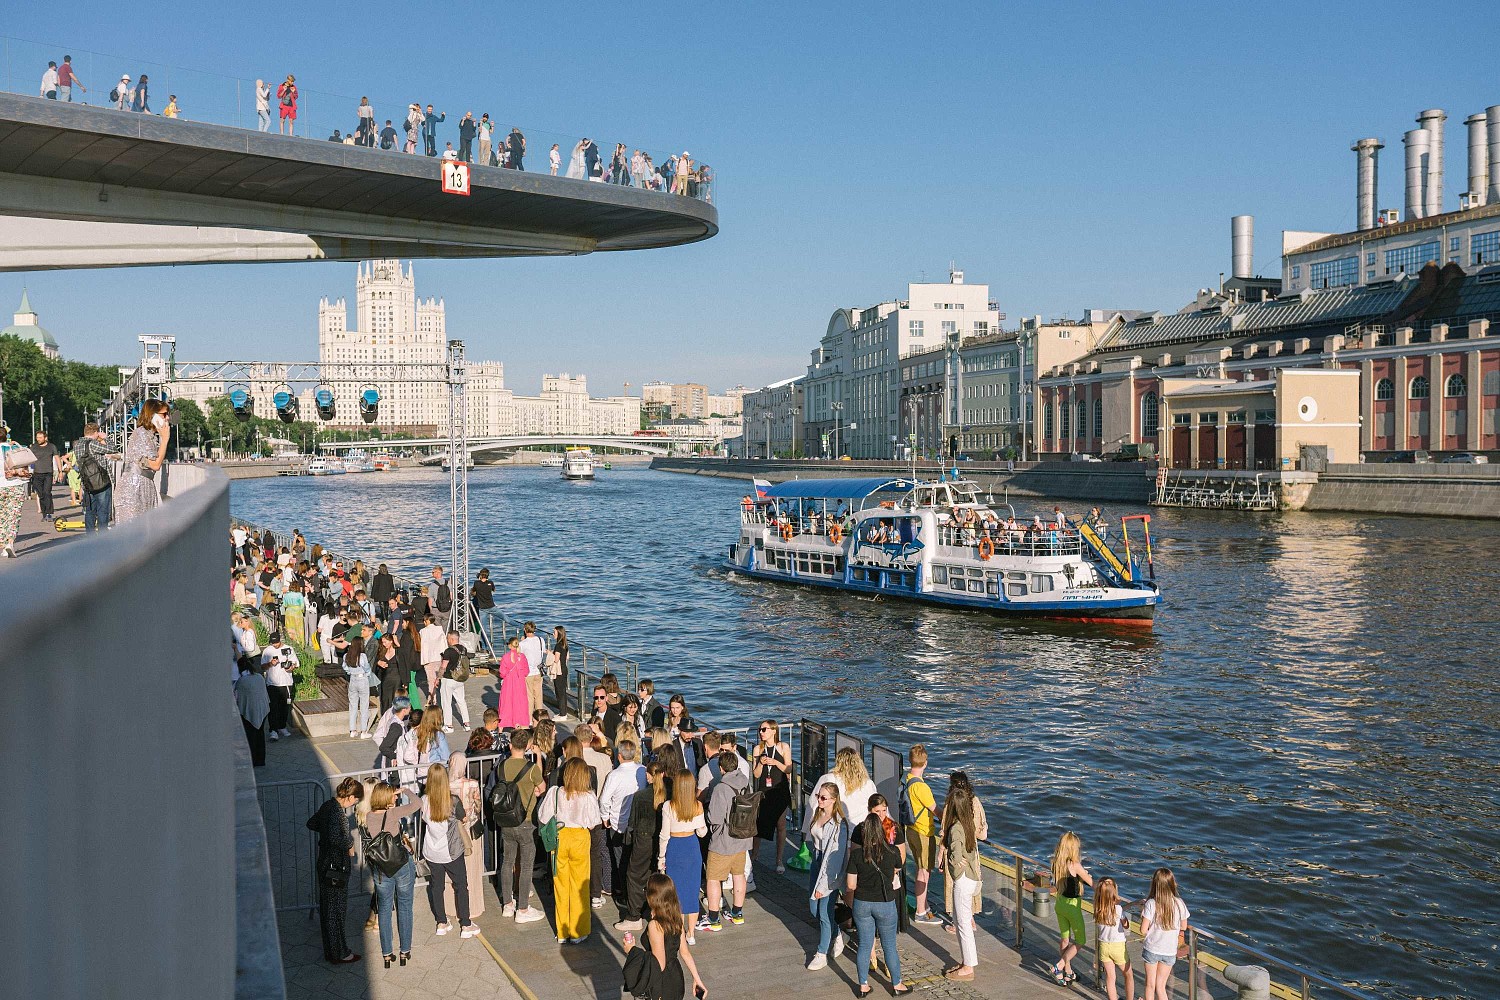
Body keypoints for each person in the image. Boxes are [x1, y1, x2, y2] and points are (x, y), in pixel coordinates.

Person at [539, 757, 603, 944]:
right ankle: (578, 932)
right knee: (579, 886)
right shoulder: (588, 796)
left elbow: (543, 816)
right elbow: (593, 823)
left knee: (560, 885)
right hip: (579, 838)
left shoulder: (555, 792)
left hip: (560, 837)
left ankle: (562, 931)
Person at [846, 810, 910, 996]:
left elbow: (851, 885)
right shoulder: (892, 852)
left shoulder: (857, 855)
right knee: (889, 945)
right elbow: (897, 869)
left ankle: (863, 986)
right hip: (885, 902)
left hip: (862, 904)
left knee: (865, 945)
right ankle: (897, 985)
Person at [489, 727, 547, 922]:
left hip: (506, 819)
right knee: (526, 865)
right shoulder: (531, 769)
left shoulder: (501, 766)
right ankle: (523, 908)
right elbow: (542, 788)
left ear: (510, 745)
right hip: (526, 820)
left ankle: (507, 904)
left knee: (507, 862)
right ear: (528, 746)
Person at [621, 873, 708, 1000]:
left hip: (662, 983)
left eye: (646, 890)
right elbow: (685, 953)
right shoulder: (675, 919)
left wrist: (632, 950)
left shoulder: (655, 925)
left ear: (652, 896)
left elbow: (659, 964)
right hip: (676, 978)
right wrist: (697, 979)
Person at [307, 777, 364, 964]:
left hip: (325, 863)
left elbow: (312, 823)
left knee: (329, 909)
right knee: (336, 911)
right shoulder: (338, 813)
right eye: (356, 800)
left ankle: (333, 951)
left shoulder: (327, 806)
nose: (355, 804)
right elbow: (334, 838)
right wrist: (349, 843)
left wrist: (326, 833)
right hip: (335, 867)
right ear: (351, 797)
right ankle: (339, 953)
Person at [420, 763, 479, 938]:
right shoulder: (452, 801)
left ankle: (441, 922)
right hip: (451, 851)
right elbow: (463, 817)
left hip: (431, 851)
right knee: (461, 886)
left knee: (436, 886)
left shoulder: (424, 800)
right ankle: (466, 924)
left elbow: (424, 819)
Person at [363, 782, 419, 967]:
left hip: (381, 869)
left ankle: (387, 954)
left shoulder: (369, 816)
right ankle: (405, 951)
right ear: (387, 797)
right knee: (405, 906)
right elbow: (418, 803)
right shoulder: (393, 814)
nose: (396, 797)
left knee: (385, 910)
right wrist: (405, 790)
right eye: (394, 795)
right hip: (401, 865)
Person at [936, 773, 982, 981]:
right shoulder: (968, 824)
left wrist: (954, 861)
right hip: (972, 877)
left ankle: (968, 966)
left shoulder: (955, 828)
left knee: (962, 923)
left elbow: (954, 853)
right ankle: (966, 962)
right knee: (964, 921)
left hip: (962, 880)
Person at [703, 749, 752, 933]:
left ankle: (713, 918)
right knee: (739, 875)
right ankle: (737, 913)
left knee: (713, 879)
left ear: (721, 768)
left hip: (723, 842)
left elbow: (714, 818)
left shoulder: (720, 788)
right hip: (742, 838)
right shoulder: (745, 783)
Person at [803, 781, 849, 971]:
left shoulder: (839, 824)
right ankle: (837, 933)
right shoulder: (818, 812)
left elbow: (836, 858)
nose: (819, 800)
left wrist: (824, 885)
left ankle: (821, 953)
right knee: (814, 908)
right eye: (818, 796)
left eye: (823, 797)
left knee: (824, 912)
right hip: (816, 860)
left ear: (834, 800)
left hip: (829, 867)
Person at [657, 768, 707, 945]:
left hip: (675, 848)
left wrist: (661, 858)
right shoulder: (697, 805)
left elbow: (664, 835)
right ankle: (691, 933)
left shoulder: (668, 806)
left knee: (676, 893)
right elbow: (702, 832)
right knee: (692, 891)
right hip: (691, 847)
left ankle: (679, 931)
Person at [902, 744, 941, 924]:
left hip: (911, 829)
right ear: (925, 763)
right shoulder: (922, 787)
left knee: (921, 868)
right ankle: (920, 912)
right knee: (923, 872)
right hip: (924, 832)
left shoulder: (907, 779)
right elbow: (936, 811)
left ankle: (924, 905)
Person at [445, 752, 486, 920]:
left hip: (450, 832)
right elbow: (478, 807)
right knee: (472, 869)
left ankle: (451, 906)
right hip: (469, 831)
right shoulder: (473, 784)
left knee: (452, 871)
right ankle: (472, 906)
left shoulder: (444, 786)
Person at [1049, 830, 1093, 985]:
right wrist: (1087, 875)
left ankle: (1068, 972)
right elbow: (1091, 882)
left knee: (1065, 939)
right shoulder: (1075, 865)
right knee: (1080, 940)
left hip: (1060, 903)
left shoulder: (1056, 863)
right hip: (1072, 906)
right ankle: (1059, 966)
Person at [1139, 868, 1189, 1000]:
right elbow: (1183, 926)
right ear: (1172, 883)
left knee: (1150, 985)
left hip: (1152, 949)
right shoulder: (1179, 903)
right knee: (1161, 987)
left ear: (1155, 884)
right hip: (1169, 951)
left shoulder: (1151, 903)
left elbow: (1143, 930)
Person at [116, 399, 170, 523]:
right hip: (132, 492)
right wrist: (165, 439)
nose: (167, 418)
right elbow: (156, 465)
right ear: (152, 415)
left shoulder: (150, 436)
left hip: (143, 488)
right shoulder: (141, 434)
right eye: (164, 414)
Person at [751, 719, 792, 875]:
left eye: (764, 729)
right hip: (764, 790)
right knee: (759, 825)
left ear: (774, 731)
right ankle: (754, 855)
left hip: (779, 790)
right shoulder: (758, 749)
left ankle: (779, 859)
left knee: (780, 825)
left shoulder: (783, 747)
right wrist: (760, 764)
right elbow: (756, 774)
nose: (761, 732)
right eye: (760, 730)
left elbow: (788, 769)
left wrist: (775, 762)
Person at [1095, 877, 1134, 1000]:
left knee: (1110, 977)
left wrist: (1131, 905)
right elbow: (1126, 925)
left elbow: (1113, 911)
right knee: (1128, 975)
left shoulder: (1098, 908)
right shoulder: (1118, 909)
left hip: (1104, 946)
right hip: (1118, 947)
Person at [396, 707, 448, 790]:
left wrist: (419, 764)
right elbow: (446, 757)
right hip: (436, 774)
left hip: (422, 774)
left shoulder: (418, 732)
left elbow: (408, 755)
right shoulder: (438, 735)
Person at [0, 425, 30, 558]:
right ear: (6, 436)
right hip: (16, 485)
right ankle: (10, 543)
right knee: (14, 515)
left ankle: (3, 545)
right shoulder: (13, 448)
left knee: (2, 516)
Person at [236, 659, 271, 767]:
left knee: (250, 736)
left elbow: (239, 698)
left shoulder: (242, 681)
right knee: (260, 734)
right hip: (262, 709)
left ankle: (252, 761)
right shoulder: (259, 677)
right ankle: (261, 760)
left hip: (248, 710)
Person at [262, 639, 296, 741]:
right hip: (272, 684)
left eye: (276, 642)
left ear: (280, 641)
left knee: (284, 706)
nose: (275, 644)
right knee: (273, 708)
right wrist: (270, 663)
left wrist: (291, 668)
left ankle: (282, 726)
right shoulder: (267, 651)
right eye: (273, 643)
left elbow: (295, 663)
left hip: (286, 683)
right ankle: (273, 730)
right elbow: (262, 667)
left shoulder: (289, 648)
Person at [437, 631, 471, 732]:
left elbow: (443, 667)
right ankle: (467, 723)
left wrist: (438, 678)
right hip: (459, 678)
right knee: (461, 701)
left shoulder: (448, 651)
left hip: (448, 679)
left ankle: (449, 725)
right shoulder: (463, 649)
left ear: (451, 639)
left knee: (446, 702)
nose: (447, 640)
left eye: (448, 638)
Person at [343, 636, 375, 738]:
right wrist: (367, 674)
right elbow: (367, 668)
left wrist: (351, 672)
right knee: (364, 706)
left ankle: (352, 730)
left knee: (353, 705)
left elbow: (345, 667)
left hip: (352, 680)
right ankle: (363, 731)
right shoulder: (362, 656)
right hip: (362, 679)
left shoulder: (347, 655)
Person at [497, 636, 531, 728]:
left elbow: (502, 673)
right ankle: (521, 723)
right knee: (520, 704)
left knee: (506, 704)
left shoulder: (505, 657)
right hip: (520, 683)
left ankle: (502, 726)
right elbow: (526, 671)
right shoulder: (522, 656)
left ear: (510, 645)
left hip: (508, 683)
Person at [28, 430, 59, 519]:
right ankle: (44, 513)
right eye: (37, 437)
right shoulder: (34, 447)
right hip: (37, 474)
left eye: (40, 437)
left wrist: (60, 471)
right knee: (41, 494)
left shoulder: (51, 446)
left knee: (47, 493)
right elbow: (28, 458)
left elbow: (57, 458)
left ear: (45, 438)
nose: (38, 439)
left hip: (48, 473)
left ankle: (49, 513)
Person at [517, 621, 545, 717]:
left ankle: (529, 718)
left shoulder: (522, 644)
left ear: (525, 630)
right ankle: (540, 717)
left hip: (528, 672)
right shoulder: (541, 640)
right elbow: (542, 652)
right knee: (538, 696)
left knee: (529, 696)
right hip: (539, 671)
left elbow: (519, 657)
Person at [417, 614, 445, 707]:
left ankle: (432, 699)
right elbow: (443, 643)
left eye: (425, 621)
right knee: (438, 679)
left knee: (431, 680)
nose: (424, 622)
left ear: (427, 621)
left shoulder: (423, 631)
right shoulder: (439, 629)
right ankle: (434, 698)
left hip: (428, 659)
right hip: (438, 657)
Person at [549, 625, 570, 716]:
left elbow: (556, 659)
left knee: (559, 692)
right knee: (563, 691)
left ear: (559, 634)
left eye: (554, 632)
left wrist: (549, 653)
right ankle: (563, 712)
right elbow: (567, 657)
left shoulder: (558, 645)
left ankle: (562, 713)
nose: (553, 634)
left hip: (559, 671)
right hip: (564, 669)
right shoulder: (565, 644)